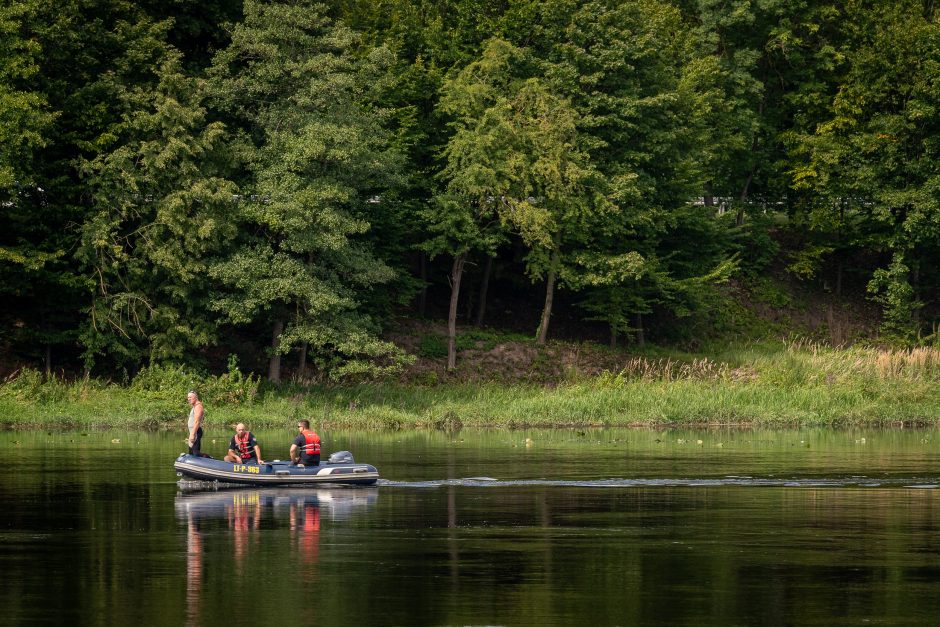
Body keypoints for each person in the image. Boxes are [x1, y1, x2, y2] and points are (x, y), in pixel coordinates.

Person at [186, 390, 204, 456]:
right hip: (193, 432)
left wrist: (193, 434)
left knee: (195, 453)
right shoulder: (194, 406)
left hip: (196, 432)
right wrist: (191, 434)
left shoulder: (198, 407)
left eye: (190, 397)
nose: (188, 399)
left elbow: (197, 422)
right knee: (191, 452)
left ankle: (210, 459)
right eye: (188, 397)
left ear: (196, 397)